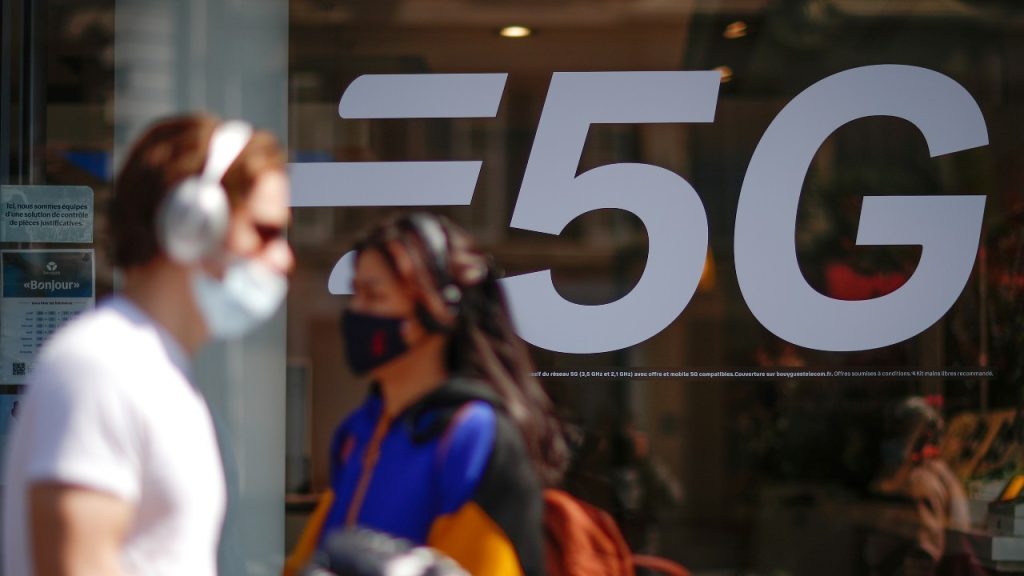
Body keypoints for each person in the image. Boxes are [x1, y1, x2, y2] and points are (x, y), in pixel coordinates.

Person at [3, 114, 293, 575]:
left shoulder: (156, 372)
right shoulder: (100, 367)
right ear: (193, 223)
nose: (284, 257)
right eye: (264, 231)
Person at [285, 212, 568, 576]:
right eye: (356, 294)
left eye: (374, 295)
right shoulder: (357, 432)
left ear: (438, 308)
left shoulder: (473, 436)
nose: (356, 311)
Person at [865, 397, 978, 576]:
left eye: (902, 430)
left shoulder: (921, 481)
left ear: (921, 437)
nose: (893, 438)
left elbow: (925, 552)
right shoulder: (926, 475)